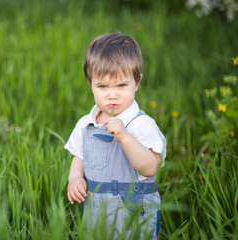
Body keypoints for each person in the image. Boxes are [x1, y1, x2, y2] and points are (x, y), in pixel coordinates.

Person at [64, 33, 166, 239]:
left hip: (134, 212)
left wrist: (126, 137)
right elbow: (79, 158)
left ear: (137, 82)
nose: (112, 94)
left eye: (121, 85)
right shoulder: (86, 124)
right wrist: (75, 178)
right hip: (97, 212)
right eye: (102, 86)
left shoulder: (141, 125)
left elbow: (150, 167)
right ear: (90, 83)